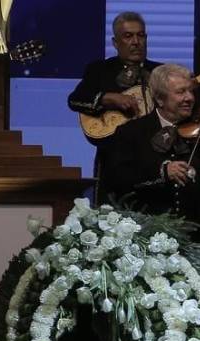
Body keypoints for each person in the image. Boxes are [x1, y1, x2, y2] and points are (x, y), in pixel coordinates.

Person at [103, 64, 200, 242]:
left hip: (196, 243)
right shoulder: (131, 133)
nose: (189, 98)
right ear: (160, 99)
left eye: (191, 91)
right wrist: (162, 171)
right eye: (181, 92)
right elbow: (117, 180)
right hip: (144, 241)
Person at [68, 12, 162, 202]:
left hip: (152, 158)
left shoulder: (160, 72)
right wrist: (107, 98)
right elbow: (75, 100)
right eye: (128, 36)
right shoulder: (100, 70)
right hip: (113, 159)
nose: (136, 41)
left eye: (141, 35)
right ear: (115, 42)